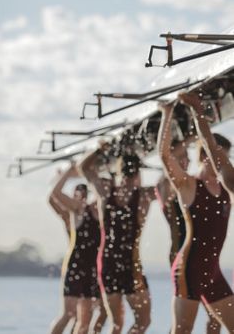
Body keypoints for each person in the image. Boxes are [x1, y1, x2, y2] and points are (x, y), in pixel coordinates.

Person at [157, 93, 234, 333]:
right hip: (188, 269)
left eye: (226, 156)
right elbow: (165, 155)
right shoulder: (189, 185)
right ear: (204, 157)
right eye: (219, 156)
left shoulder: (226, 187)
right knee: (182, 330)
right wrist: (166, 114)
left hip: (213, 271)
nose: (223, 161)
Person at [80, 146, 156, 334]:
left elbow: (83, 168)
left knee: (116, 323)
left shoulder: (106, 191)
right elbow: (172, 183)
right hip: (130, 264)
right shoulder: (144, 195)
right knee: (143, 322)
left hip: (107, 263)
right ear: (139, 173)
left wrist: (100, 149)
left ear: (118, 170)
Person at [155, 138, 222, 333]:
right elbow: (168, 158)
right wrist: (189, 140)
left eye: (187, 158)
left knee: (214, 317)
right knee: (183, 324)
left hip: (204, 258)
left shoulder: (193, 183)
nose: (184, 161)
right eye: (180, 158)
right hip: (182, 257)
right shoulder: (166, 185)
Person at [48, 164, 106, 334]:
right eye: (75, 195)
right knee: (69, 314)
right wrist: (66, 174)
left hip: (92, 269)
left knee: (85, 319)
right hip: (75, 265)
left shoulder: (97, 210)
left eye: (81, 194)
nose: (78, 198)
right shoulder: (74, 212)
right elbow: (53, 198)